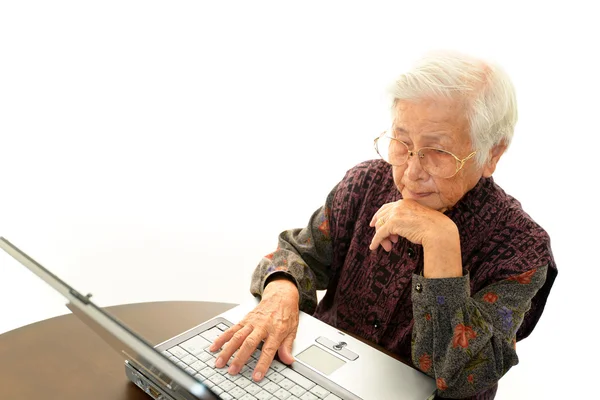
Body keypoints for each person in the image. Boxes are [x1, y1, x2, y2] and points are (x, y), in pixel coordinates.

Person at [209, 51, 558, 399]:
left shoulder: (521, 248)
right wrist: (281, 290)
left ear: (492, 154)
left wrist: (441, 243)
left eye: (437, 152)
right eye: (402, 142)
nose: (410, 172)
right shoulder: (365, 183)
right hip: (314, 382)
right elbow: (298, 253)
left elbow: (457, 375)